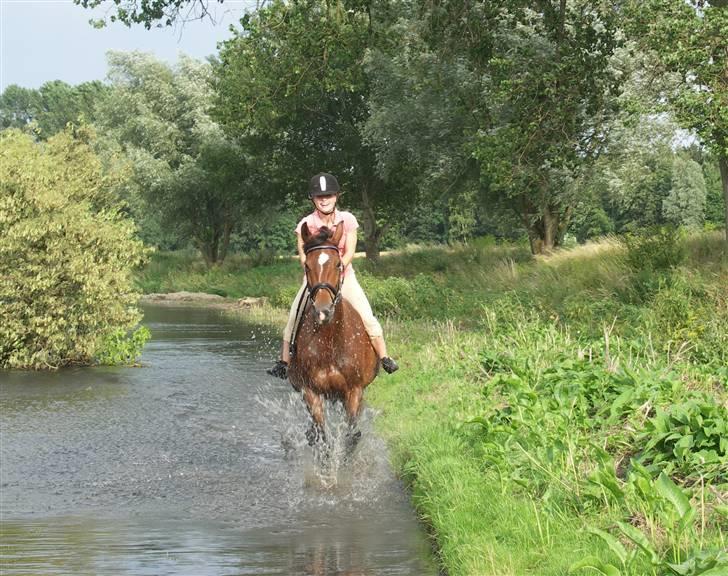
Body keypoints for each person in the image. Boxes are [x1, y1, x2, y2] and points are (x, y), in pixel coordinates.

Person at [267, 172, 399, 379]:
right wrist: (318, 277)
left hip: (343, 277)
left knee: (367, 316)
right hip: (315, 281)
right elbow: (303, 255)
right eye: (320, 196)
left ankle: (384, 357)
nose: (324, 199)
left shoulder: (347, 219)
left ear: (337, 196)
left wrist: (337, 271)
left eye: (328, 195)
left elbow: (350, 252)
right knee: (294, 316)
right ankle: (284, 362)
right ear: (313, 199)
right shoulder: (306, 223)